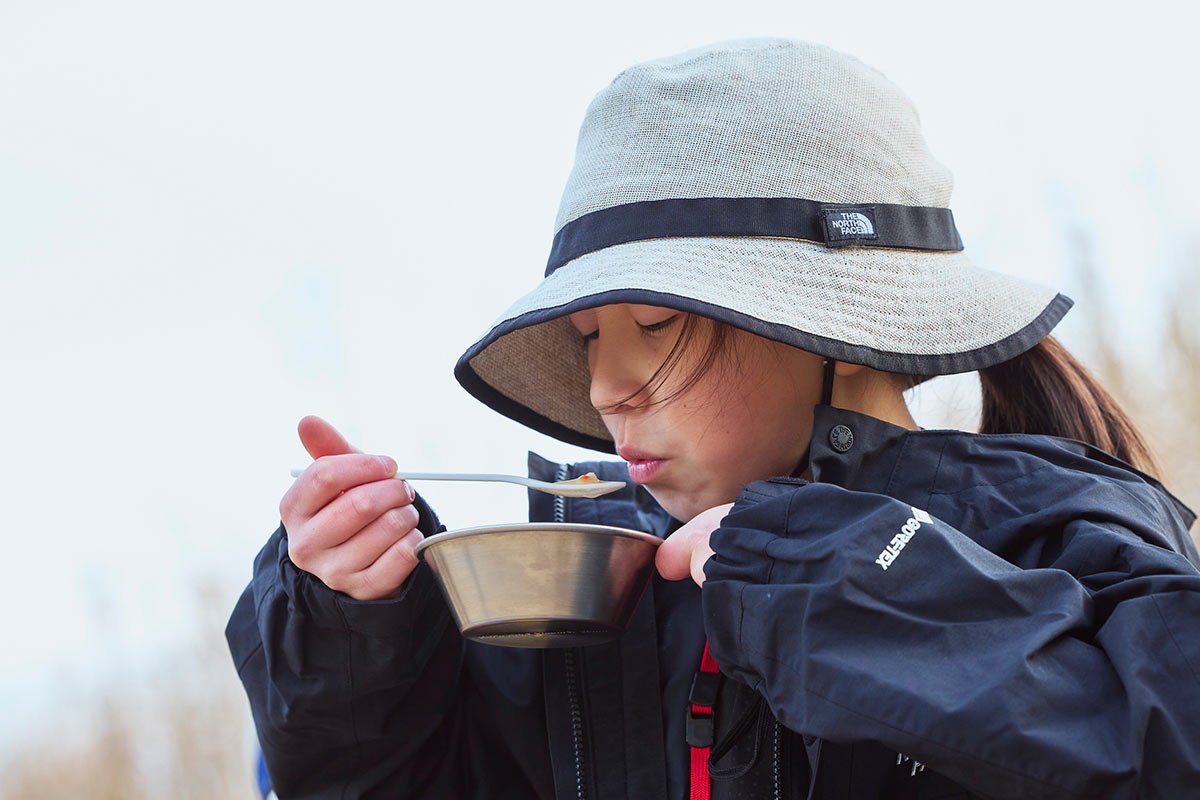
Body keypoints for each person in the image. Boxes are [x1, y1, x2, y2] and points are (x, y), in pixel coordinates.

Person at [225, 38, 1200, 799]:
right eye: (588, 336)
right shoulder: (584, 596)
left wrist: (846, 581)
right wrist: (354, 626)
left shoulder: (1052, 534)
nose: (606, 388)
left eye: (656, 322)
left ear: (841, 327)